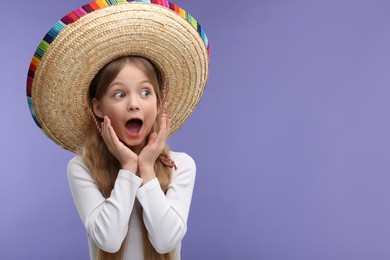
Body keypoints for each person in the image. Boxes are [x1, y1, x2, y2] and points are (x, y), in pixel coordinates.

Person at [26, 1, 210, 259]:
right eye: (120, 94)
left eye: (146, 92)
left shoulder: (181, 165)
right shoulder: (81, 169)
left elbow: (166, 240)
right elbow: (109, 241)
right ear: (99, 107)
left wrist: (146, 169)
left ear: (158, 103)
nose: (134, 104)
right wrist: (127, 168)